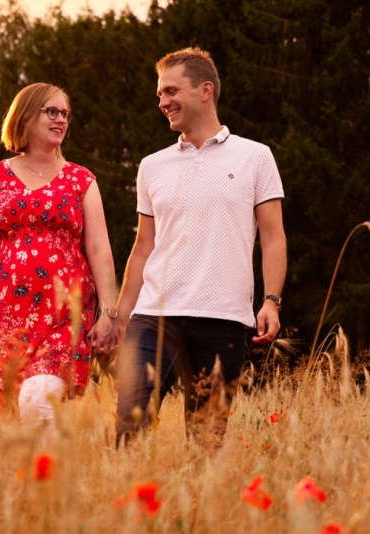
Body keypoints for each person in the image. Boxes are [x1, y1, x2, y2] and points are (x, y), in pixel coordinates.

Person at [111, 48, 287, 448]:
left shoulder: (255, 157)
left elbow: (274, 236)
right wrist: (121, 316)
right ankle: (122, 506)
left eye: (171, 90)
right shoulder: (152, 165)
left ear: (205, 90)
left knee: (206, 439)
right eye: (159, 94)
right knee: (130, 421)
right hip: (155, 315)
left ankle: (198, 509)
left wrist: (271, 299)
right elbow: (143, 246)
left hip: (222, 317)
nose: (162, 102)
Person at [0, 83, 119, 441]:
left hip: (65, 314)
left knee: (37, 400)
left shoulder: (81, 180)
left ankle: (49, 486)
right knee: (11, 418)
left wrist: (109, 313)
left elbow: (100, 250)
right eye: (52, 112)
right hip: (6, 315)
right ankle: (39, 491)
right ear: (26, 116)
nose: (61, 120)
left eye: (65, 114)